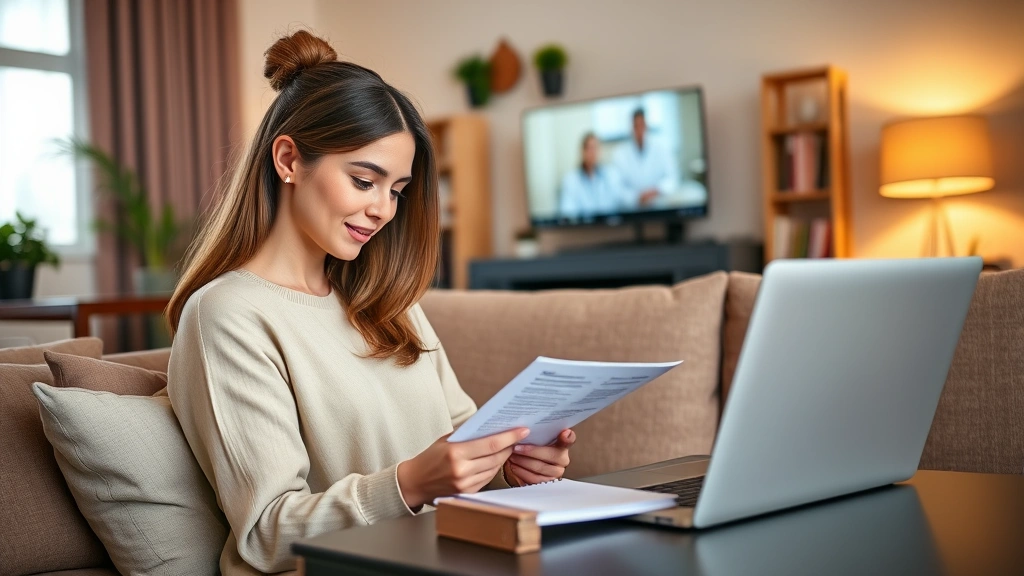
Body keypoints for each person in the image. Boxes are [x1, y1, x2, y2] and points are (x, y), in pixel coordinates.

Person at [165, 31, 575, 576]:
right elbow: (266, 533)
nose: (383, 209)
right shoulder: (228, 315)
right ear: (288, 159)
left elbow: (464, 433)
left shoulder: (388, 301)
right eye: (364, 180)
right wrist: (410, 484)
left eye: (398, 190)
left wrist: (514, 460)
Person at [612, 108, 680, 209]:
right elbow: (618, 187)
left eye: (642, 125)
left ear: (647, 126)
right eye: (636, 126)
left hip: (660, 204)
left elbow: (673, 178)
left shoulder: (662, 146)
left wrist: (657, 190)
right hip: (633, 207)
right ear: (631, 127)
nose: (639, 130)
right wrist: (637, 197)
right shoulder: (620, 153)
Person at [558, 132, 624, 219]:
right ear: (582, 151)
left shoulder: (611, 175)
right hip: (583, 230)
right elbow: (567, 211)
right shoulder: (571, 180)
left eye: (595, 148)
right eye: (589, 148)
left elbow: (620, 204)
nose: (593, 152)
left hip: (608, 229)